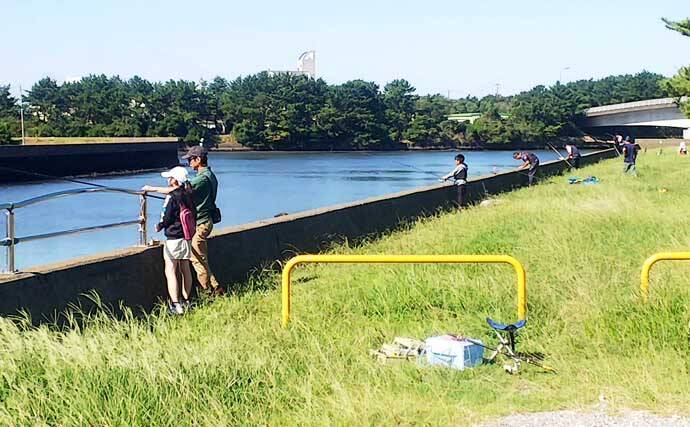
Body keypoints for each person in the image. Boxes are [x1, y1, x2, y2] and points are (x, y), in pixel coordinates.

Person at [143, 145, 224, 297]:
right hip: (204, 221)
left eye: (190, 159)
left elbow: (177, 191)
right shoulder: (209, 175)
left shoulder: (202, 178)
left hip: (201, 222)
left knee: (197, 260)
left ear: (198, 159)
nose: (189, 163)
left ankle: (208, 293)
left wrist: (151, 189)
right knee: (200, 259)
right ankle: (216, 288)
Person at [153, 166, 196, 315]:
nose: (168, 180)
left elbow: (166, 216)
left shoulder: (171, 197)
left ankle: (176, 305)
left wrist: (159, 226)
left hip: (173, 238)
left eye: (170, 178)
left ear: (175, 180)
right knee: (185, 268)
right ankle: (187, 301)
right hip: (187, 236)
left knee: (170, 271)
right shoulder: (189, 194)